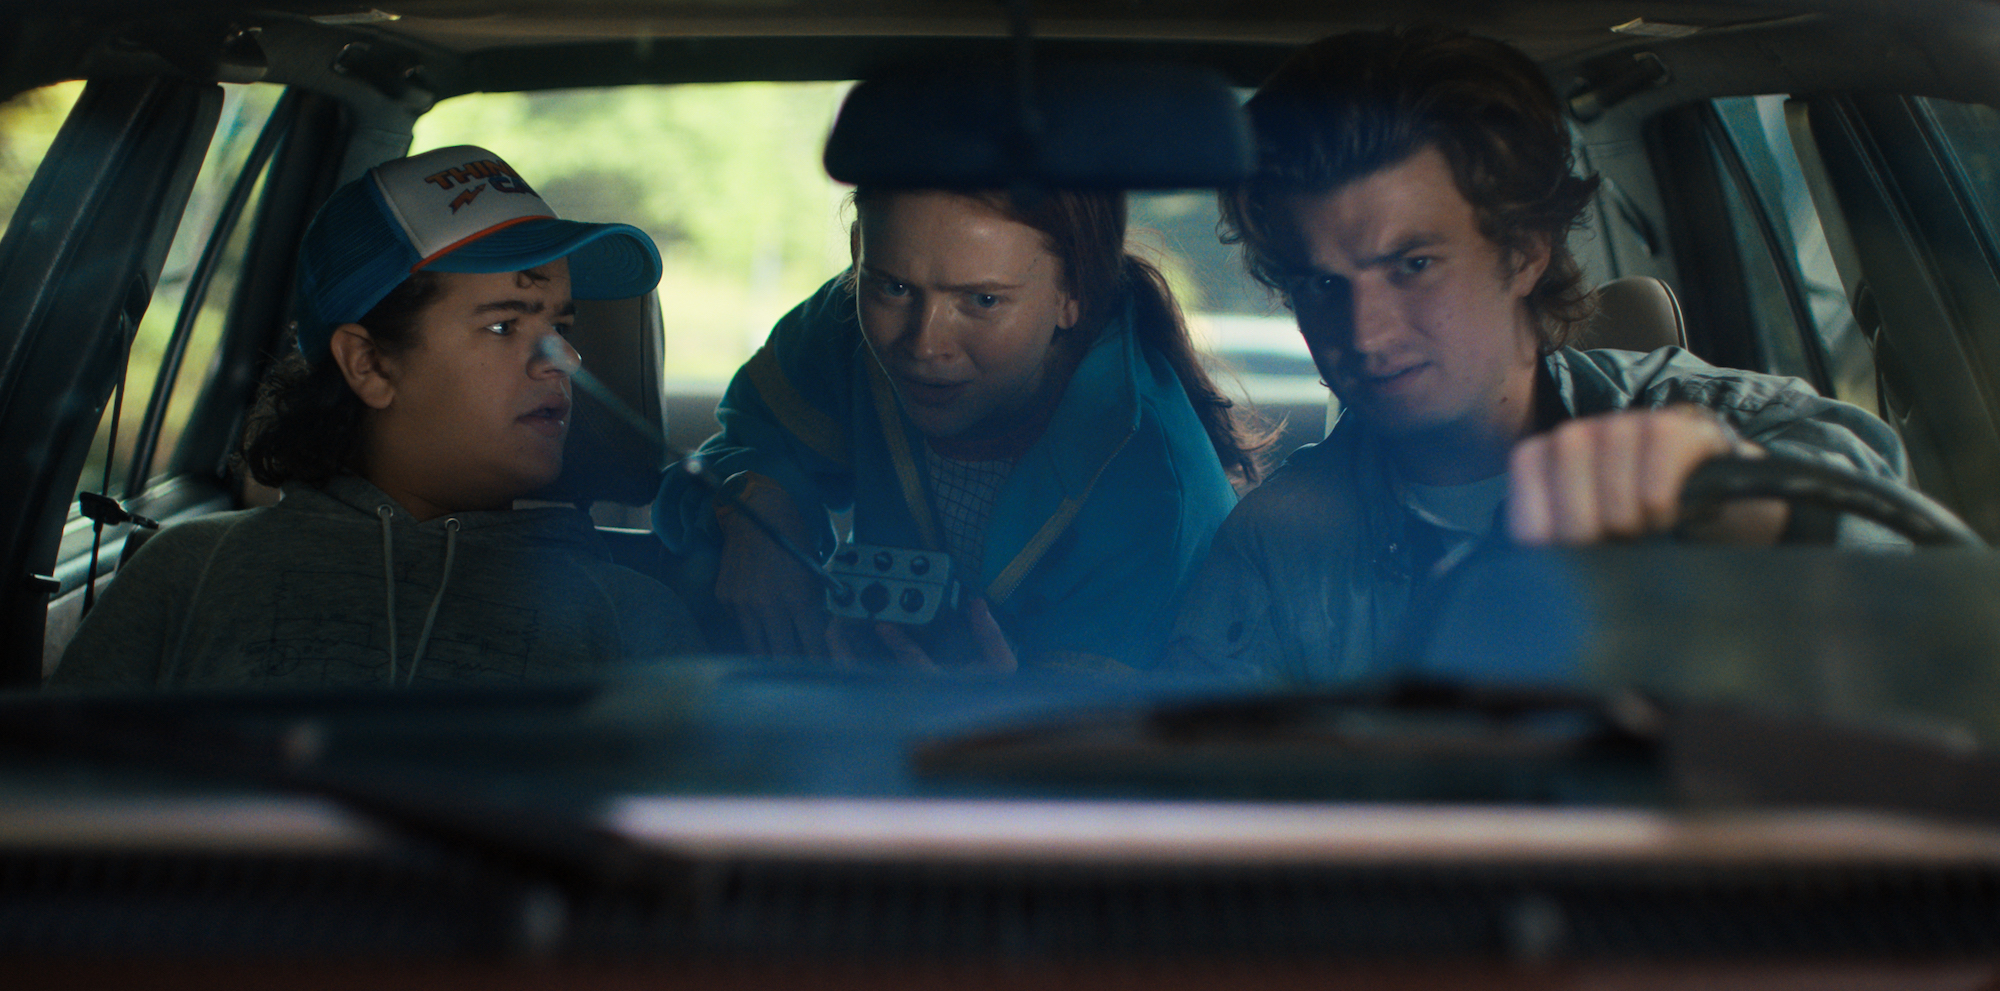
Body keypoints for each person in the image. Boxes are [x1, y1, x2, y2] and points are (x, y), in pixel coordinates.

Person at [1165, 26, 1913, 684]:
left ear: (1524, 249)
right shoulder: (1277, 545)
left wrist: (1741, 510)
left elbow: (1922, 595)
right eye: (1324, 283)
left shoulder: (1729, 425)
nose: (1364, 332)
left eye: (1414, 265)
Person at [53, 145, 702, 690]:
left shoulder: (634, 617)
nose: (564, 357)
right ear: (369, 364)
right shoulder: (191, 572)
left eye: (561, 323)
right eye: (505, 324)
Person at [654, 186, 1262, 672]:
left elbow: (1097, 762)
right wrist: (753, 500)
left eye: (983, 301)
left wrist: (977, 714)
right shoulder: (844, 328)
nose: (923, 342)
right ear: (858, 250)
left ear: (1072, 294)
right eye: (892, 286)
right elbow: (732, 453)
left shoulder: (1152, 489)